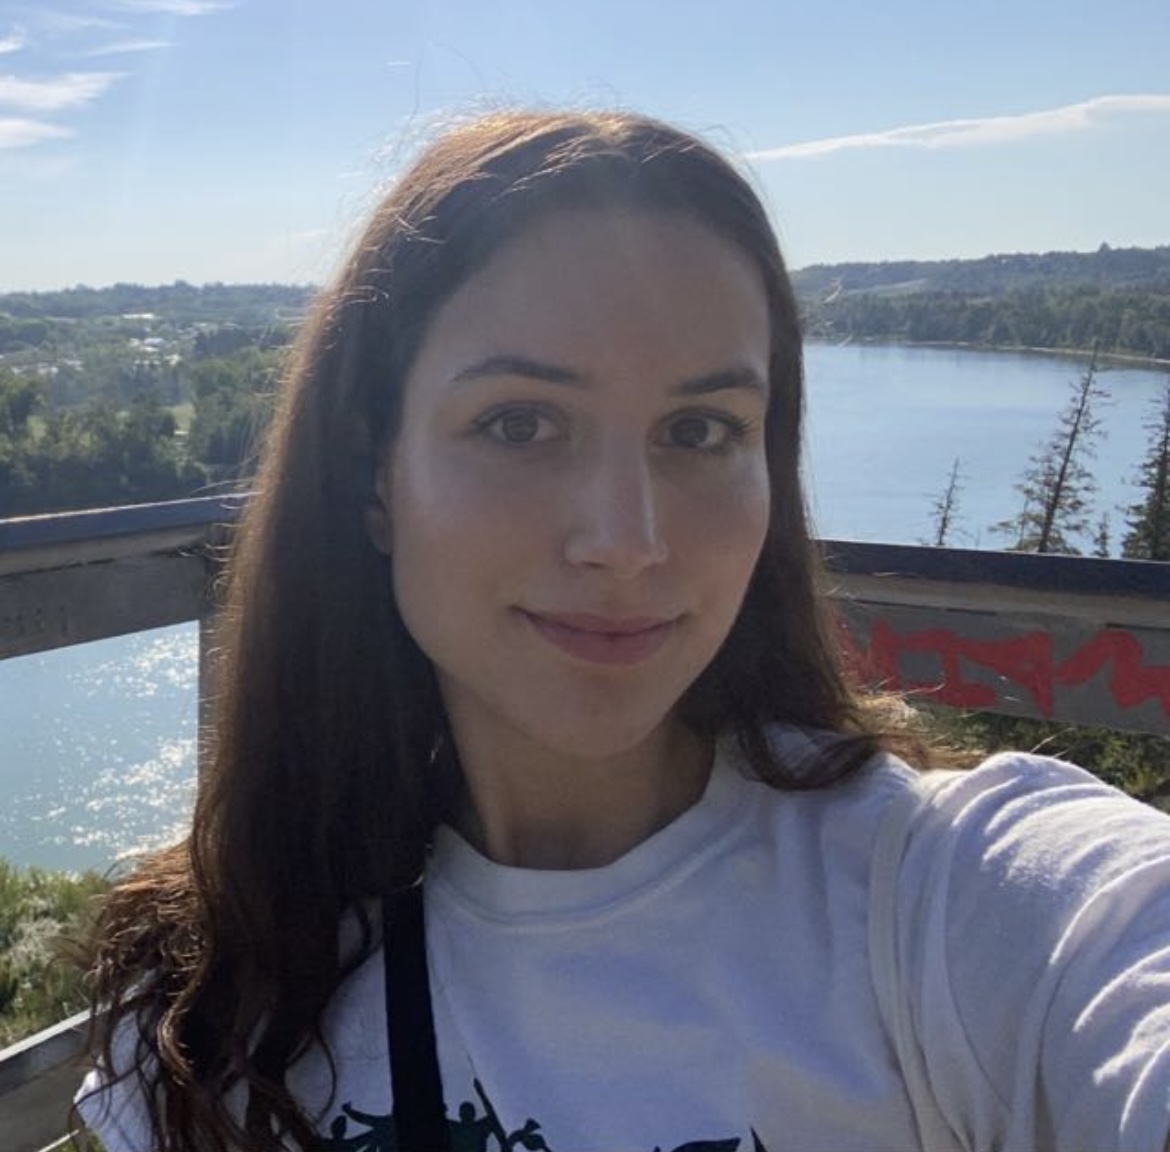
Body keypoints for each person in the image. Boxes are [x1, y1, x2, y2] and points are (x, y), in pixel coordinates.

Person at [75, 109, 1170, 1152]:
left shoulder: (951, 902)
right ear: (374, 477)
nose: (626, 541)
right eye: (519, 424)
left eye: (699, 431)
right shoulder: (211, 1005)